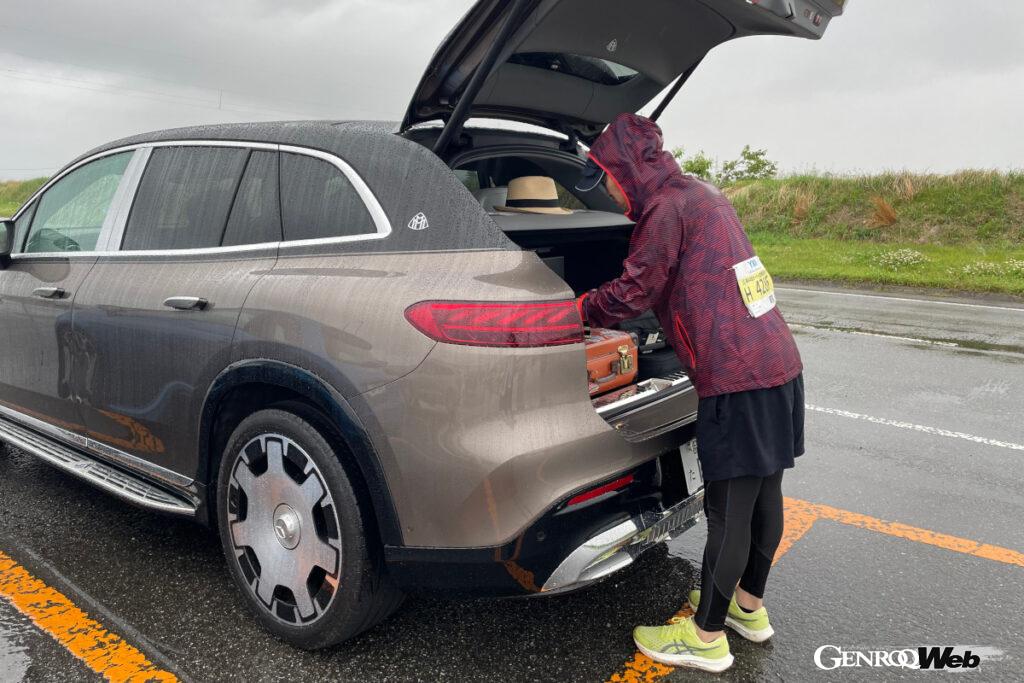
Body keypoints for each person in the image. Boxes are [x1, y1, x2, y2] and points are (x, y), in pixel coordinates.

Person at [574, 113, 804, 674]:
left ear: (624, 169)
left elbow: (635, 290)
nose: (606, 190)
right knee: (764, 492)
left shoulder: (665, 208)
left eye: (605, 176)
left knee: (729, 511)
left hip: (736, 374)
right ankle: (747, 607)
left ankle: (705, 637)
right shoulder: (702, 192)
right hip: (777, 360)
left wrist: (577, 309)